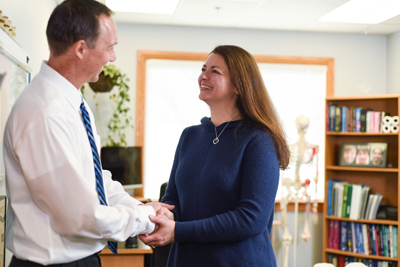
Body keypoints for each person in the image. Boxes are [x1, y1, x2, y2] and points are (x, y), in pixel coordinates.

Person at [3, 1, 172, 266]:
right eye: (109, 47)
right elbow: (80, 217)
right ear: (81, 49)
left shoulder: (75, 103)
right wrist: (142, 219)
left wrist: (142, 209)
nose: (113, 57)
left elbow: (96, 180)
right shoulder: (45, 113)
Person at [139, 45, 290, 266]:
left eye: (215, 71)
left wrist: (178, 231)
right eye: (203, 69)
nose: (203, 76)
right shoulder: (189, 136)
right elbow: (172, 198)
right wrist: (165, 216)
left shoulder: (258, 140)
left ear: (238, 86)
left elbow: (251, 219)